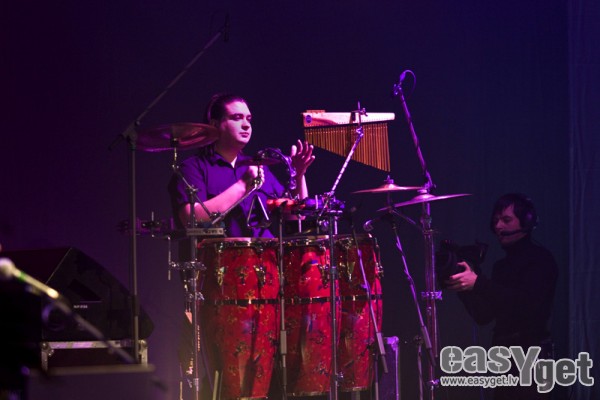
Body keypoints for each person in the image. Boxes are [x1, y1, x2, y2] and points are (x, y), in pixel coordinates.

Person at [445, 193, 558, 399]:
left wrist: (479, 283)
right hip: (504, 358)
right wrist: (463, 286)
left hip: (531, 357)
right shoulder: (502, 266)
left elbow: (526, 306)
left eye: (506, 220)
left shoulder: (540, 260)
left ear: (527, 222)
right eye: (496, 220)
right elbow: (484, 315)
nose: (498, 226)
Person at [169, 93, 315, 237]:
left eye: (248, 119)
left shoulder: (258, 166)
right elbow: (190, 219)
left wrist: (298, 175)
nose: (246, 125)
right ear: (215, 125)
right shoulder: (193, 168)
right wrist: (242, 185)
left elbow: (296, 217)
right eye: (237, 118)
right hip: (218, 252)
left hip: (266, 251)